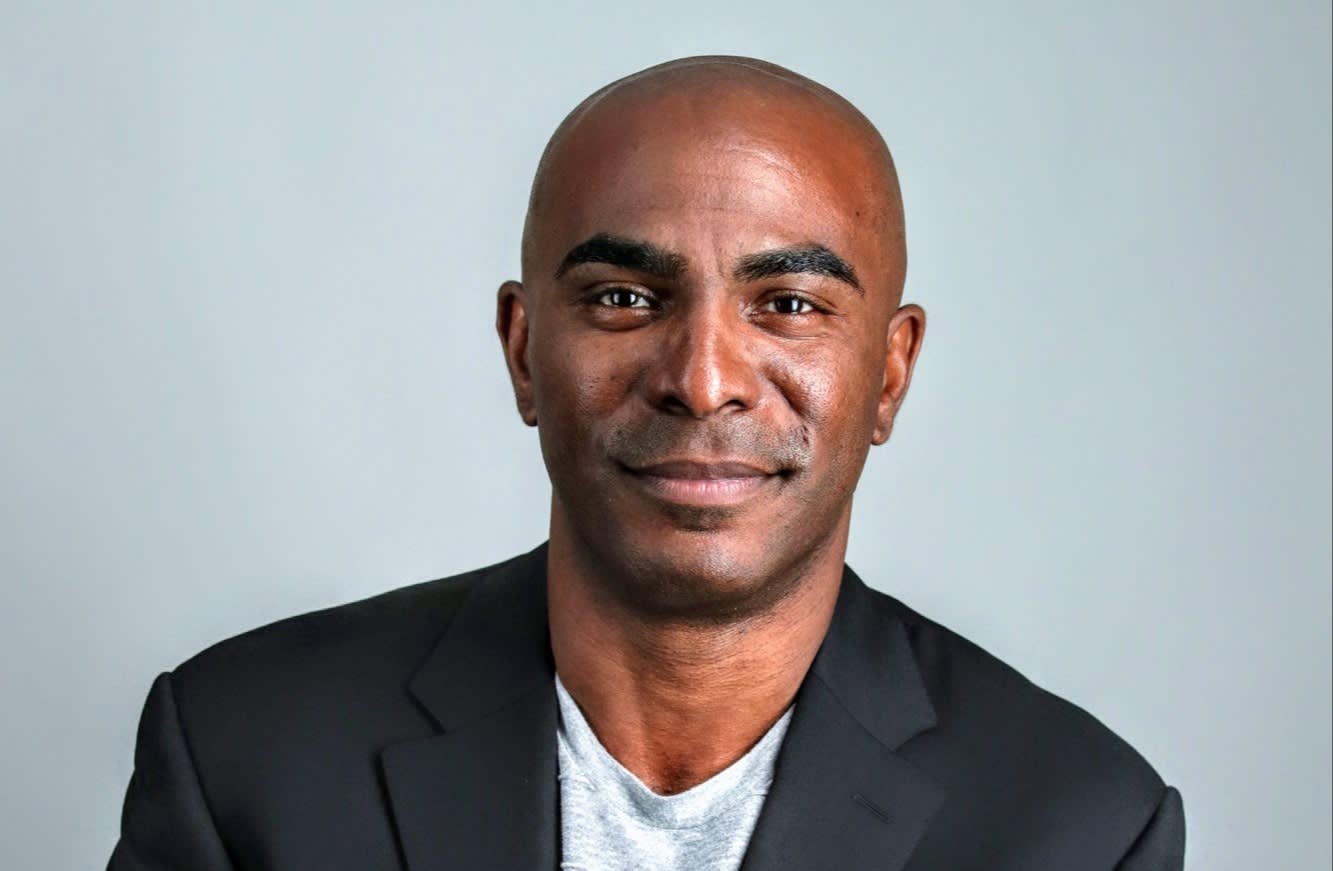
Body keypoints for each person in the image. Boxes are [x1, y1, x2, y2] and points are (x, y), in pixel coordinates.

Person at [107, 55, 1185, 870]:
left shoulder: (1079, 827)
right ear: (525, 351)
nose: (703, 377)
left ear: (889, 375)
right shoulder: (242, 753)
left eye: (790, 306)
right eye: (626, 299)